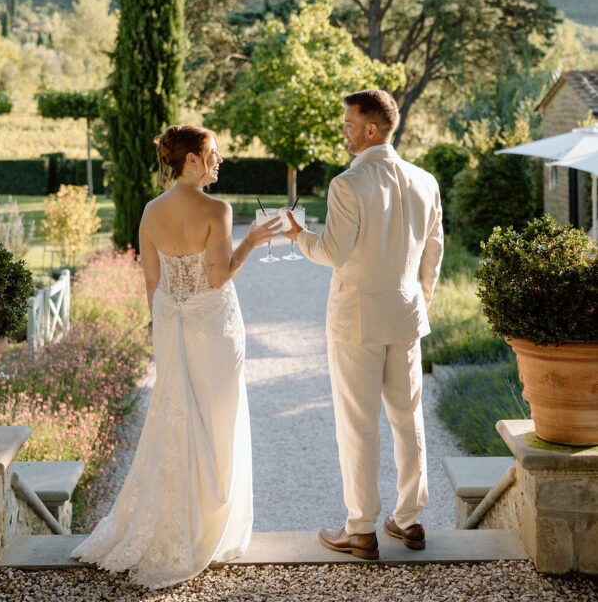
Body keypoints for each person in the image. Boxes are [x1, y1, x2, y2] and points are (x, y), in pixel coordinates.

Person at [71, 124, 280, 589]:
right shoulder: (218, 210)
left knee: (174, 417)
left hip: (170, 320)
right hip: (213, 325)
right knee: (217, 417)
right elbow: (219, 276)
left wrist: (163, 331)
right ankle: (211, 526)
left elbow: (151, 280)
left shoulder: (150, 210)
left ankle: (169, 524)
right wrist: (252, 240)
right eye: (213, 153)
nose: (219, 160)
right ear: (190, 160)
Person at [284, 89, 443, 560]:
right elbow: (432, 255)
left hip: (356, 321)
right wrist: (418, 305)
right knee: (408, 419)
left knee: (358, 426)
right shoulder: (424, 181)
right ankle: (410, 520)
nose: (345, 131)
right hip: (407, 316)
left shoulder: (347, 184)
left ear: (371, 129)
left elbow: (332, 253)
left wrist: (298, 236)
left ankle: (360, 529)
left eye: (350, 124)